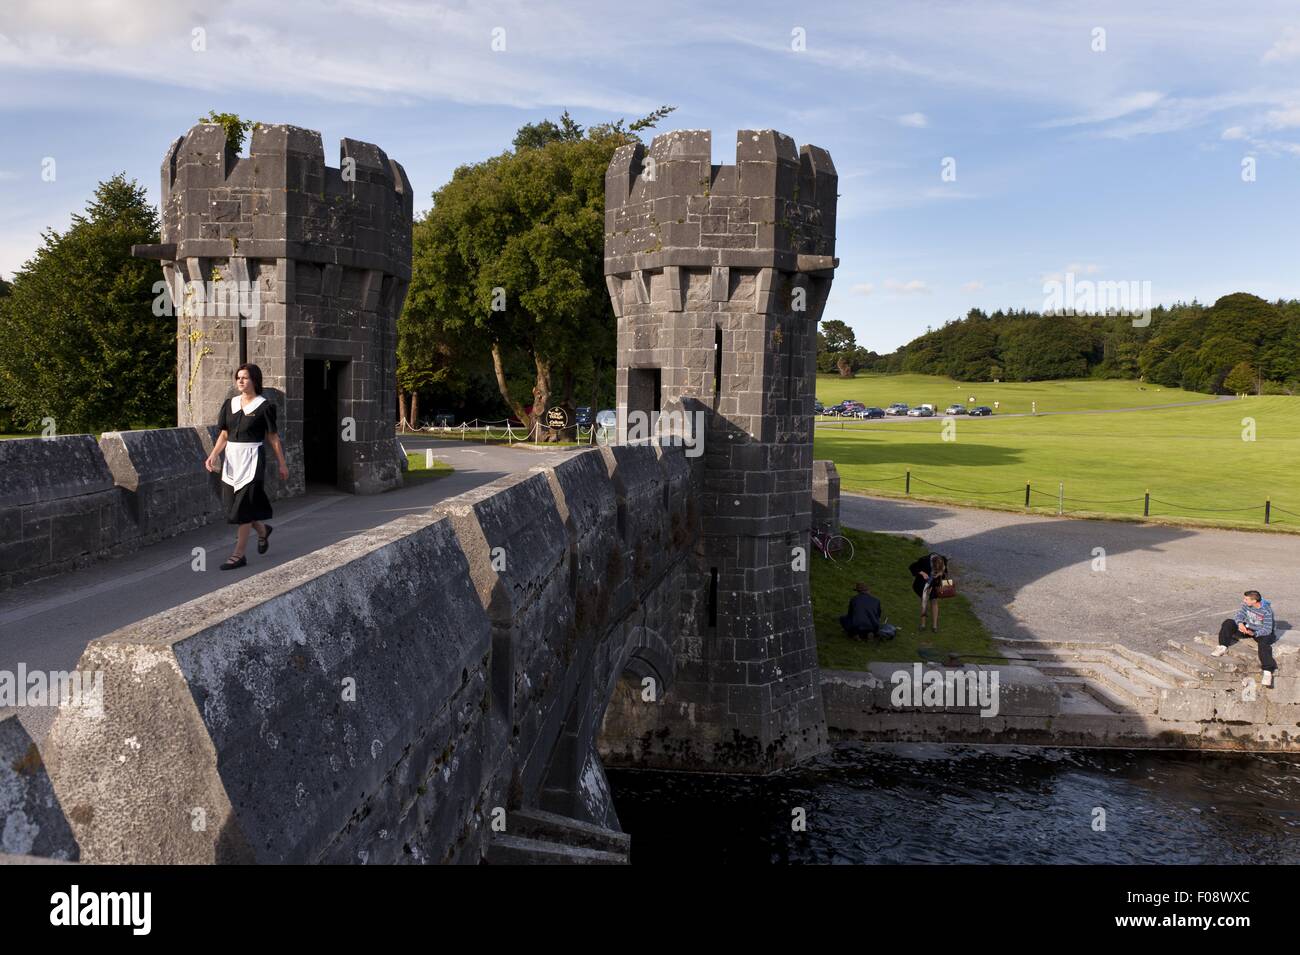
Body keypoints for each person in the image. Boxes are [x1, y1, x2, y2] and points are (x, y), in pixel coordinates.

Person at [204, 364, 288, 570]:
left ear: (255, 381)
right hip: (232, 459)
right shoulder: (229, 404)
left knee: (242, 509)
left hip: (252, 459)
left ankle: (238, 555)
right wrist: (213, 455)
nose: (240, 381)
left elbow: (273, 437)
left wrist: (282, 463)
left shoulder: (264, 406)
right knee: (233, 509)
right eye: (238, 378)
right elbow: (224, 434)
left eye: (245, 378)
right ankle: (262, 531)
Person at [1212, 590, 1278, 687]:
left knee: (1264, 644)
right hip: (1248, 628)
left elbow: (1267, 629)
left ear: (1254, 601)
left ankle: (1268, 672)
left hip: (1262, 632)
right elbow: (1239, 615)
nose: (1244, 600)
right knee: (1228, 623)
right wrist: (1240, 623)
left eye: (1246, 599)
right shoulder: (1246, 605)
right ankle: (1222, 646)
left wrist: (1255, 633)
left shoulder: (1266, 611)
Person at [908, 552, 950, 633]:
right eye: (935, 569)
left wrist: (939, 574)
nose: (936, 571)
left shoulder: (942, 559)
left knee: (934, 602)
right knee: (924, 602)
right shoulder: (924, 560)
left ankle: (934, 626)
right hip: (923, 584)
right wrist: (922, 573)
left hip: (935, 585)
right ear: (931, 564)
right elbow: (912, 567)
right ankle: (923, 624)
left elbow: (945, 572)